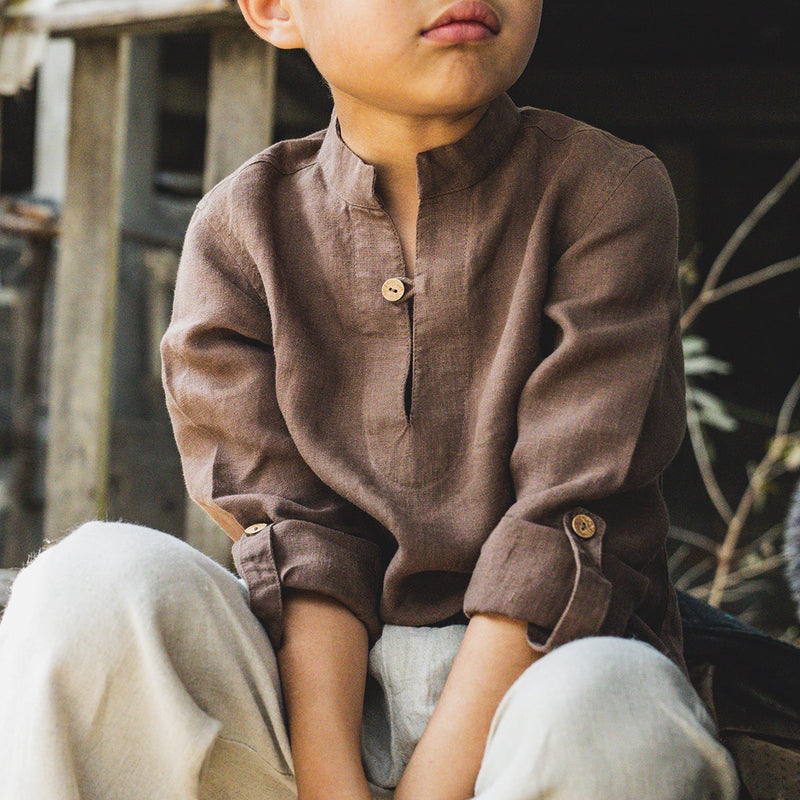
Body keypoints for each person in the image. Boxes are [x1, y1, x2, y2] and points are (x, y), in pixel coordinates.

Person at [0, 1, 741, 798]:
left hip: (541, 693)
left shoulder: (606, 193)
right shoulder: (240, 231)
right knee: (88, 582)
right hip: (305, 706)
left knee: (615, 708)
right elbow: (297, 540)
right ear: (277, 10)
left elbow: (567, 520)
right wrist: (330, 780)